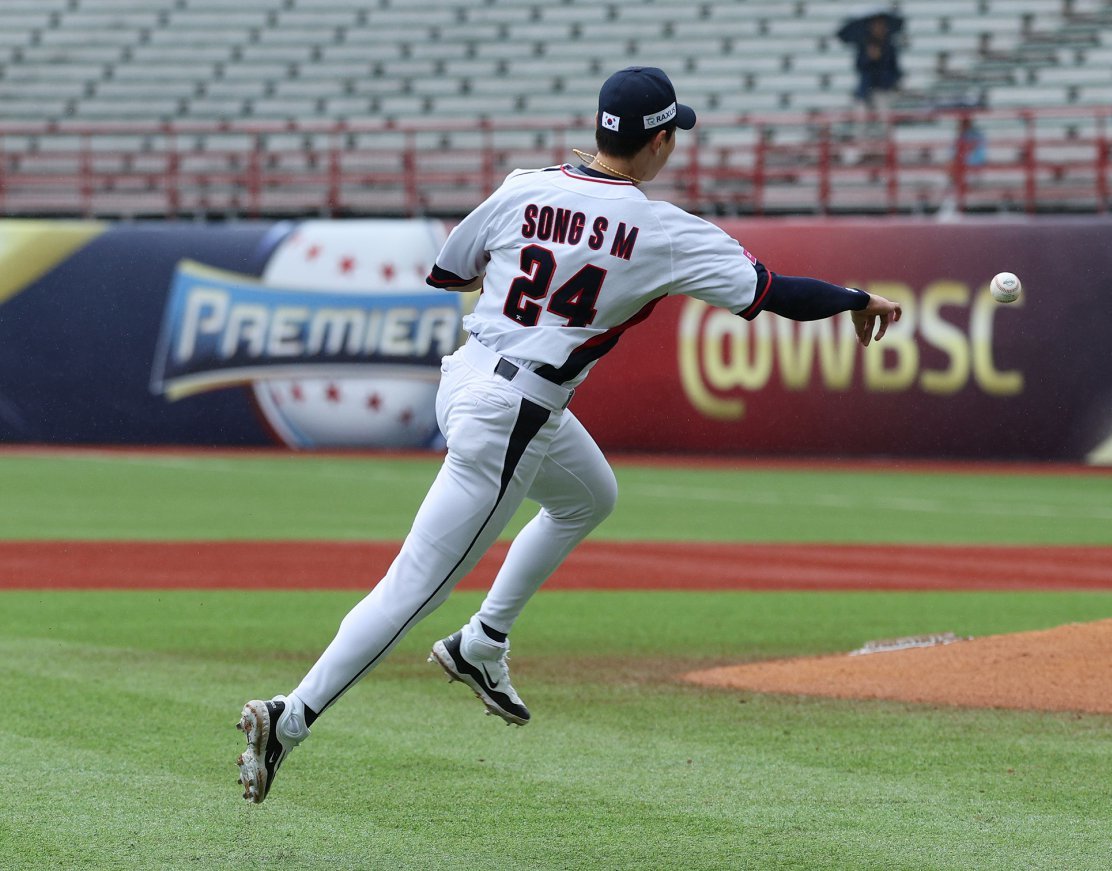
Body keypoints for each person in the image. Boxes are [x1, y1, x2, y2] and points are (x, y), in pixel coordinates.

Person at [234, 66, 903, 804]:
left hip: (470, 379)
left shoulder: (525, 185)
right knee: (413, 588)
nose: (673, 146)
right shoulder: (661, 228)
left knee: (590, 497)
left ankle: (483, 642)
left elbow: (448, 269)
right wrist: (857, 298)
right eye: (671, 134)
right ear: (655, 141)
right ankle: (289, 717)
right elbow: (776, 293)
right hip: (513, 410)